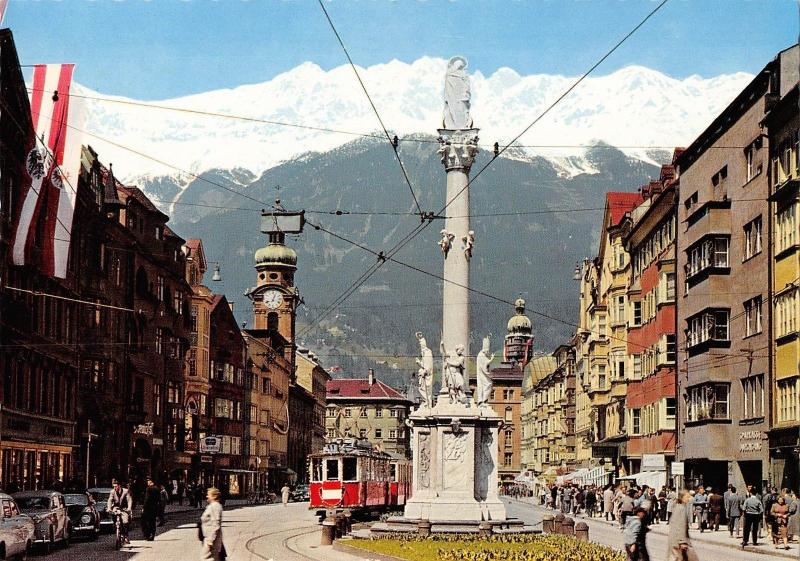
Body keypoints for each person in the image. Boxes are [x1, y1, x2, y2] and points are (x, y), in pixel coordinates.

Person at [667, 490, 696, 561]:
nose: (688, 499)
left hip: (673, 540)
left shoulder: (676, 507)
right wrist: (682, 541)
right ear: (682, 498)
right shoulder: (682, 509)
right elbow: (681, 526)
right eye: (687, 497)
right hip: (678, 543)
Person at [200, 487, 225, 561]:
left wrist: (211, 540)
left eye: (208, 495)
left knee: (207, 559)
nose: (207, 496)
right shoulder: (213, 506)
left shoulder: (215, 506)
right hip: (210, 538)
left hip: (211, 539)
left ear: (214, 496)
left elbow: (216, 524)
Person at [107, 479, 133, 545]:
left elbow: (129, 500)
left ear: (119, 486)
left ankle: (126, 535)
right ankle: (117, 528)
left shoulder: (125, 491)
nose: (114, 488)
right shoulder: (112, 492)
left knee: (125, 521)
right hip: (116, 508)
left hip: (124, 509)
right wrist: (109, 508)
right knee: (114, 517)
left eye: (116, 486)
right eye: (113, 486)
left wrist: (129, 508)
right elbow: (110, 500)